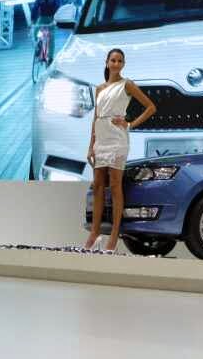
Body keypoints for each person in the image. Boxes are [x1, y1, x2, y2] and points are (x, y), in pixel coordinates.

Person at [84, 49, 156, 253]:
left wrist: (130, 124)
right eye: (113, 60)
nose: (116, 63)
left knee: (115, 186)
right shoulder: (99, 88)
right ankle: (94, 233)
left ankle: (114, 235)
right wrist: (91, 146)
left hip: (117, 139)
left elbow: (151, 107)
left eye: (119, 61)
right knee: (98, 186)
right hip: (101, 140)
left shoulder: (127, 85)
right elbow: (95, 118)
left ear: (123, 64)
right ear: (107, 62)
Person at [33, 0, 61, 65]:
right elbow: (35, 7)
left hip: (52, 17)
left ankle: (50, 58)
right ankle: (39, 47)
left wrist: (56, 20)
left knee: (51, 37)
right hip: (43, 17)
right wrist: (32, 20)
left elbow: (58, 7)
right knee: (35, 31)